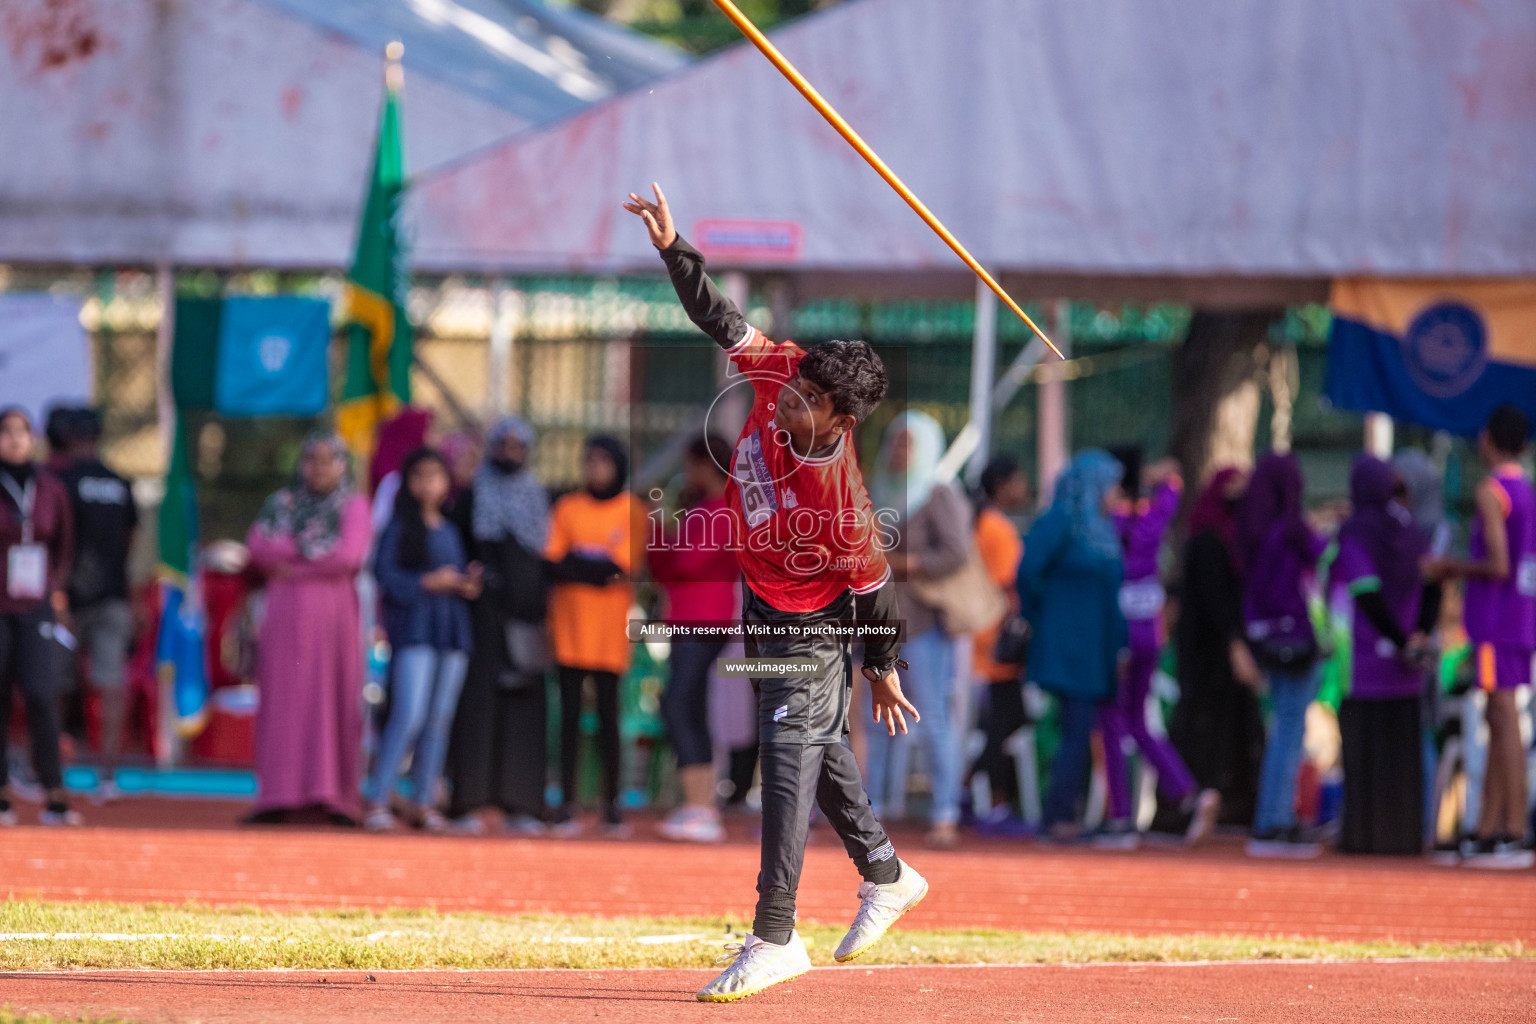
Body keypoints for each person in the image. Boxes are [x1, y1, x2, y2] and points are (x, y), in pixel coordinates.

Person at [626, 184, 926, 1002]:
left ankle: (775, 933)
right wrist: (673, 247)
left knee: (787, 754)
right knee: (817, 747)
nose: (786, 401)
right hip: (759, 604)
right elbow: (720, 319)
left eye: (805, 403)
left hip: (815, 627)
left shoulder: (846, 505)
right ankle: (888, 875)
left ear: (841, 419)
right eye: (791, 390)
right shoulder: (786, 366)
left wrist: (883, 668)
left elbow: (875, 592)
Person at [1425, 405, 1536, 868]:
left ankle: (1512, 828)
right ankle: (1489, 826)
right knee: (1499, 717)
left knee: (1504, 718)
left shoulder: (1492, 492)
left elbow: (1497, 563)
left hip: (1497, 619)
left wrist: (1448, 568)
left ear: (1489, 440)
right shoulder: (1526, 490)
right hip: (1520, 615)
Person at [245, 432, 372, 825]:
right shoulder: (280, 504)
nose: (317, 468)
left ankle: (334, 798)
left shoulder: (353, 506)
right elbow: (258, 547)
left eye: (327, 460)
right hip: (283, 615)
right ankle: (278, 795)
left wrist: (292, 562)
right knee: (284, 699)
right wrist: (310, 557)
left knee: (332, 698)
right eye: (310, 459)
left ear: (342, 464)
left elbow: (347, 556)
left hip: (333, 618)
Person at [864, 411, 973, 849]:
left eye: (908, 443)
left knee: (931, 718)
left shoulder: (938, 493)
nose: (898, 451)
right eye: (895, 441)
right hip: (877, 623)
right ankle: (873, 814)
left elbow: (956, 552)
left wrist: (903, 564)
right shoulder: (878, 491)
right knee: (875, 723)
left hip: (924, 624)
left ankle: (945, 812)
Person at [1097, 454, 1219, 849]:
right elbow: (1174, 482)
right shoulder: (1154, 518)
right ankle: (1188, 791)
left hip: (1120, 635)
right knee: (1138, 721)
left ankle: (1119, 817)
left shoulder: (1108, 524)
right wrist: (1158, 476)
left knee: (1112, 722)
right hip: (1150, 633)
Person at [445, 416, 553, 836]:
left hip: (526, 622)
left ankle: (523, 804)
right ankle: (469, 802)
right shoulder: (472, 496)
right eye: (502, 445)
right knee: (477, 709)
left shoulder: (540, 497)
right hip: (482, 622)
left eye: (517, 446)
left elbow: (545, 557)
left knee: (524, 710)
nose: (509, 453)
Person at [366, 448, 481, 833]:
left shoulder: (449, 529)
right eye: (420, 475)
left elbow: (457, 575)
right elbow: (385, 575)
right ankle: (379, 797)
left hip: (450, 632)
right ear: (408, 482)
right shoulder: (399, 528)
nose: (428, 483)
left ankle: (423, 801)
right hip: (414, 630)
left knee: (439, 719)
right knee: (409, 713)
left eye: (436, 475)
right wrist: (428, 582)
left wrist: (466, 582)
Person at [1017, 449, 1127, 842]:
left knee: (1083, 729)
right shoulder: (1062, 520)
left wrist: (1120, 646)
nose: (1116, 492)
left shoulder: (1103, 528)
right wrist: (1046, 613)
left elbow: (1115, 595)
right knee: (1076, 728)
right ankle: (1059, 815)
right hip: (1066, 646)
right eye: (1111, 483)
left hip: (1096, 648)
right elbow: (1028, 572)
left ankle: (1070, 813)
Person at [1332, 454, 1437, 855]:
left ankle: (1362, 836)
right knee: (1402, 755)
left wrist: (1395, 640)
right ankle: (1406, 835)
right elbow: (1433, 582)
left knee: (1363, 754)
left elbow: (1366, 592)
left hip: (1364, 665)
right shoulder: (1414, 530)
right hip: (1407, 667)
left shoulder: (1356, 530)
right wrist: (1418, 638)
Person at [546, 435, 642, 836]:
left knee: (608, 718)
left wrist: (581, 564)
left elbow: (621, 568)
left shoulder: (631, 510)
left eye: (603, 462)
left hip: (608, 633)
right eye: (590, 461)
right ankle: (566, 803)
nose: (595, 469)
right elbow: (553, 561)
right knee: (567, 717)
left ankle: (612, 806)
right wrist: (593, 567)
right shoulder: (568, 507)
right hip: (569, 628)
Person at [651, 434, 740, 843]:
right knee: (688, 706)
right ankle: (699, 804)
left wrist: (663, 537)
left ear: (708, 465)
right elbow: (666, 567)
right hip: (693, 618)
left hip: (703, 620)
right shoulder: (704, 509)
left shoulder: (720, 508)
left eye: (691, 465)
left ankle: (700, 806)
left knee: (678, 705)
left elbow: (684, 562)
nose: (687, 474)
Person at [1240, 452, 1327, 859]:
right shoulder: (1292, 528)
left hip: (1267, 638)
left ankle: (1271, 816)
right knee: (1290, 729)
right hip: (1297, 637)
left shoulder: (1253, 529)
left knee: (1283, 726)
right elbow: (1321, 554)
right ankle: (1274, 820)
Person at [1167, 467, 1264, 829]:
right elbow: (1215, 600)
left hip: (1223, 649)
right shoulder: (1209, 539)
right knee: (1203, 726)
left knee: (1238, 725)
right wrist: (1235, 645)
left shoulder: (1233, 538)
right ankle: (1193, 800)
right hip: (1208, 653)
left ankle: (1232, 802)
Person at [0, 407, 79, 828]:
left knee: (41, 693)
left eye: (22, 431)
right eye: (5, 432)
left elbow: (64, 544)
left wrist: (56, 590)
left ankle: (54, 791)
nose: (14, 439)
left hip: (35, 604)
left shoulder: (50, 488)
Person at [58, 408, 138, 804]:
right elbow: (131, 541)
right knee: (110, 684)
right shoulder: (120, 482)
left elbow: (55, 538)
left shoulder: (61, 479)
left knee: (54, 682)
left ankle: (52, 766)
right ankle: (108, 774)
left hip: (67, 599)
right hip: (114, 594)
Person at [967, 454, 1029, 825]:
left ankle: (973, 790)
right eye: (1019, 481)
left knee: (994, 724)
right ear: (1002, 486)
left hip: (974, 638)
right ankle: (995, 802)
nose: (1024, 489)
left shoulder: (975, 522)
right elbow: (1010, 585)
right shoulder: (997, 528)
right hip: (997, 641)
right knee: (1005, 722)